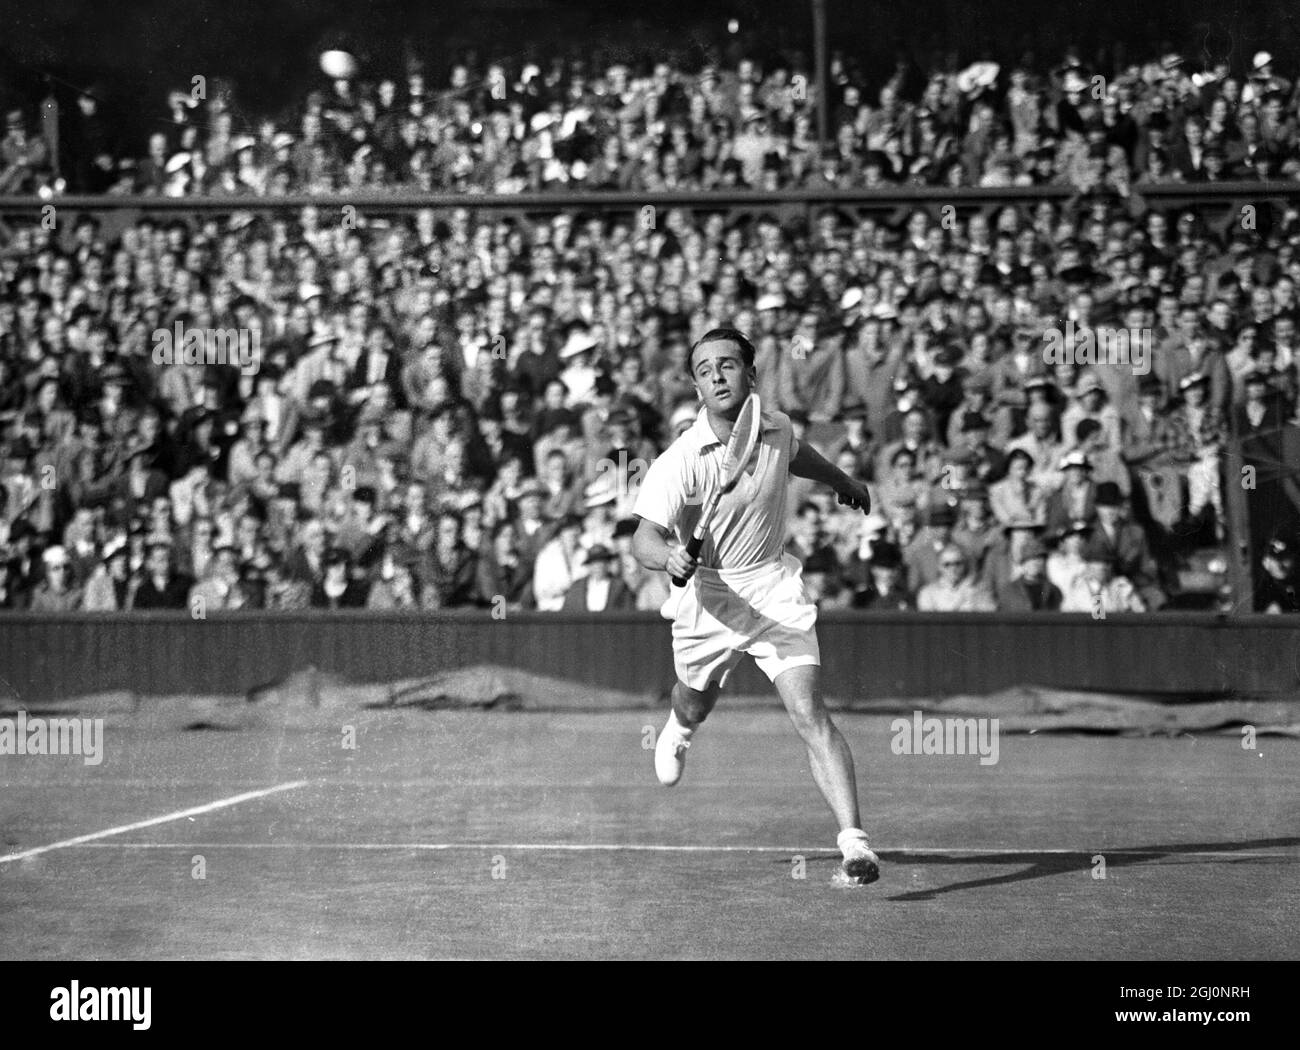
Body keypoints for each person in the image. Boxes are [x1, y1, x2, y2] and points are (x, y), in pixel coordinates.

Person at [630, 327, 881, 887]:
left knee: (811, 713)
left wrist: (841, 479)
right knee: (696, 703)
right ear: (696, 385)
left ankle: (855, 845)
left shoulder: (777, 426)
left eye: (726, 365)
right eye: (704, 370)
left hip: (773, 589)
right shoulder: (680, 460)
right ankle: (679, 727)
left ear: (749, 372)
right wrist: (668, 556)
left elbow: (796, 457)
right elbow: (642, 538)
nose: (716, 376)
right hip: (709, 600)